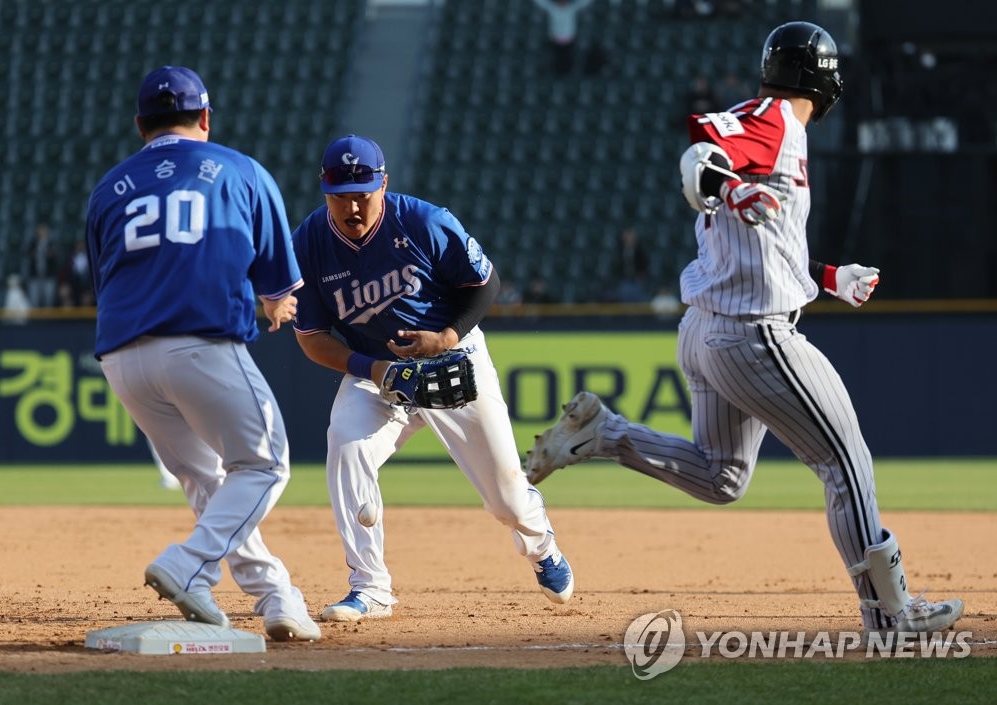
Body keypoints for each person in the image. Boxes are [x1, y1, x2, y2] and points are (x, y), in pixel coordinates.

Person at [525, 22, 964, 637]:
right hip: (754, 334)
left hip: (708, 331)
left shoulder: (776, 127)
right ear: (823, 77)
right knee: (847, 463)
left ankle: (605, 435)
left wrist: (830, 277)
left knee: (722, 477)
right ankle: (890, 615)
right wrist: (729, 187)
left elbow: (768, 242)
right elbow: (698, 157)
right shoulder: (776, 118)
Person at [291, 134, 574, 622]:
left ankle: (539, 541)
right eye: (341, 195)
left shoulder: (423, 221)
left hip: (452, 360)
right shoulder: (311, 243)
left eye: (363, 192)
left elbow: (485, 284)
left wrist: (446, 335)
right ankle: (370, 587)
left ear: (383, 184)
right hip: (377, 373)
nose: (352, 205)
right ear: (325, 191)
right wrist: (373, 368)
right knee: (347, 444)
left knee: (506, 500)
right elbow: (313, 339)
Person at [85, 65, 320, 642]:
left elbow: (107, 279)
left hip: (123, 358)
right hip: (200, 342)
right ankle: (189, 565)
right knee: (264, 465)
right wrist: (277, 308)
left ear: (140, 125)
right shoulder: (241, 171)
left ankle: (276, 597)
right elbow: (280, 289)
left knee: (209, 481)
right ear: (206, 118)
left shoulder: (108, 188)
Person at [531, 0, 595, 76]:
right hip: (556, 41)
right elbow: (542, 3)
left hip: (568, 41)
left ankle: (567, 74)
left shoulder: (571, 9)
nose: (563, 2)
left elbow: (583, 3)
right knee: (554, 61)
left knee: (568, 61)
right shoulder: (553, 9)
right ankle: (555, 75)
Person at [23, 221, 60, 308]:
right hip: (35, 275)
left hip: (48, 275)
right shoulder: (33, 243)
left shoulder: (51, 243)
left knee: (48, 300)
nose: (42, 232)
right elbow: (26, 253)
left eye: (44, 230)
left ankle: (48, 320)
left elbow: (56, 255)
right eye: (41, 230)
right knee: (34, 300)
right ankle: (34, 320)